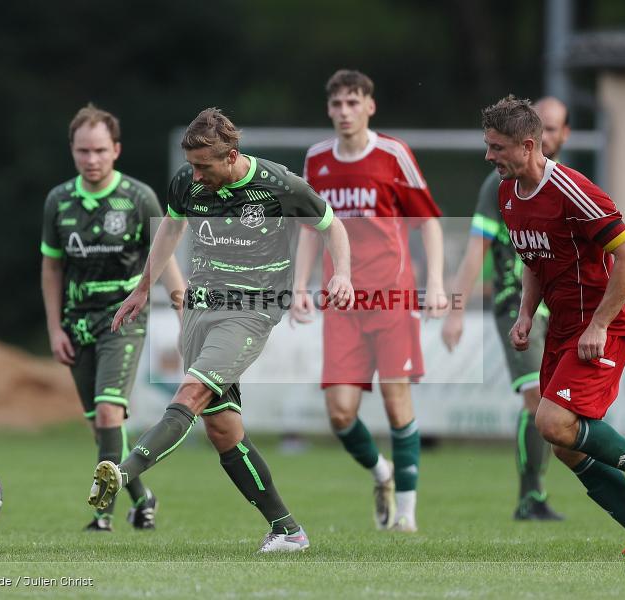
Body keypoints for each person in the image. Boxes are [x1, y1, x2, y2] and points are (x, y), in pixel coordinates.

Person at [88, 107, 354, 553]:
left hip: (251, 311)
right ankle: (287, 530)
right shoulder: (187, 183)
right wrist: (140, 290)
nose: (196, 174)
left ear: (231, 155)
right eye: (191, 165)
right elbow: (171, 228)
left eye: (204, 166)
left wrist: (342, 273)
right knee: (224, 430)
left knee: (190, 393)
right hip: (200, 309)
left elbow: (332, 226)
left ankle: (123, 472)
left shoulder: (279, 185)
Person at [481, 95, 625, 558]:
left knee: (551, 421)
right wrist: (527, 313)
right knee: (566, 445)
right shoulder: (508, 192)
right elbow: (533, 259)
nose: (489, 157)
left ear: (528, 146)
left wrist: (599, 325)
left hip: (602, 324)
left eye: (497, 148)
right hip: (562, 325)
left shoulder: (574, 191)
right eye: (487, 146)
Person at [291, 70, 446, 533]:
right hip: (341, 303)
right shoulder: (316, 159)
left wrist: (436, 282)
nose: (344, 112)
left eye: (353, 103)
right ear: (329, 110)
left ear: (369, 107)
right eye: (337, 104)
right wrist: (299, 285)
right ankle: (383, 473)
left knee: (398, 401)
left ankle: (407, 512)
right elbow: (308, 228)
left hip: (392, 298)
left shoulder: (393, 154)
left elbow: (429, 222)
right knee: (340, 413)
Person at [41, 103, 185, 531]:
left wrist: (183, 313)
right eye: (83, 151)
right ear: (72, 151)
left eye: (100, 150)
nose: (92, 159)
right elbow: (51, 268)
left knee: (108, 414)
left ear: (116, 150)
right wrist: (54, 327)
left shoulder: (138, 197)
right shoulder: (59, 201)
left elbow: (164, 259)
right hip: (76, 322)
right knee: (102, 427)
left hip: (123, 317)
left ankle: (102, 513)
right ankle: (143, 496)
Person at [443, 97, 571, 521]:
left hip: (563, 309)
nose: (547, 136)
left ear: (562, 136)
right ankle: (529, 497)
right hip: (514, 305)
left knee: (562, 408)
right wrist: (457, 309)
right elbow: (476, 249)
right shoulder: (496, 185)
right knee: (536, 401)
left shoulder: (567, 183)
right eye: (543, 127)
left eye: (554, 129)